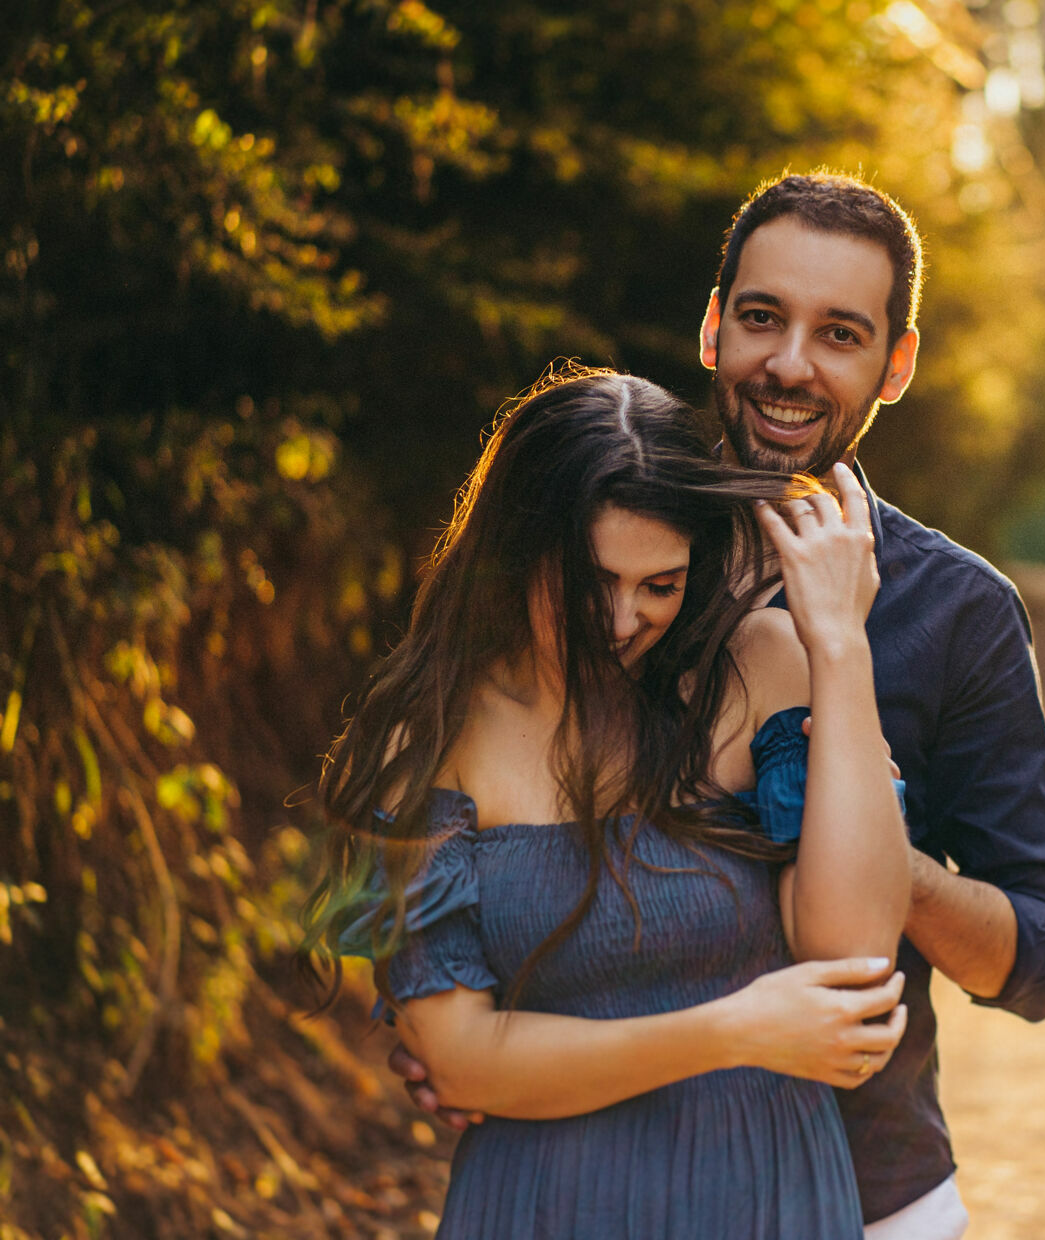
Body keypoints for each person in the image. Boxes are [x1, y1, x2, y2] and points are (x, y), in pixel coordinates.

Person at [395, 173, 1045, 1239]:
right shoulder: (605, 540)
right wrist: (454, 1019)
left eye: (840, 333)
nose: (791, 363)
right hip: (576, 1161)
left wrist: (855, 832)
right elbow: (482, 822)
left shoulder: (959, 611)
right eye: (763, 317)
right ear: (714, 327)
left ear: (894, 365)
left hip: (865, 1186)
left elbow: (1036, 954)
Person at [306, 371, 913, 1238]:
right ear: (517, 552)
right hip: (545, 1203)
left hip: (768, 1189)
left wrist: (841, 648)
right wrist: (736, 1031)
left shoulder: (757, 672)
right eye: (590, 582)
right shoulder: (432, 736)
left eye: (659, 586)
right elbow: (463, 1062)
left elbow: (852, 953)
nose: (622, 621)